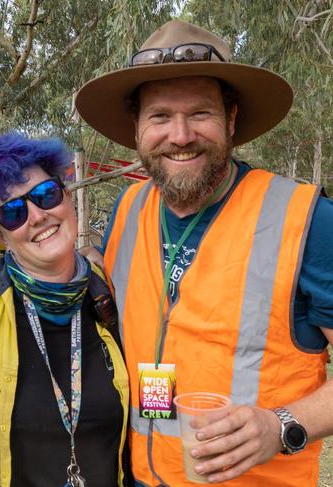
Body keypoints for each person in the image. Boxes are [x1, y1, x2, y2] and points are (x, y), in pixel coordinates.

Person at [74, 19, 333, 487]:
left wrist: (282, 426)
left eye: (200, 114)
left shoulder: (307, 221)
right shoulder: (129, 211)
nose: (179, 135)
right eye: (159, 116)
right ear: (136, 128)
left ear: (231, 120)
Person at [0, 132, 130, 487]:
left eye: (46, 195)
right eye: (13, 212)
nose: (37, 216)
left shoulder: (115, 290)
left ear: (67, 196)